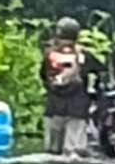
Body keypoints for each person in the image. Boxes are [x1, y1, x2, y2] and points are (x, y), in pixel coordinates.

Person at [41, 16, 104, 156]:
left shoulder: (49, 54)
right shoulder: (84, 55)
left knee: (52, 154)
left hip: (53, 109)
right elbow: (101, 71)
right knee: (74, 154)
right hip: (77, 109)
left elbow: (43, 76)